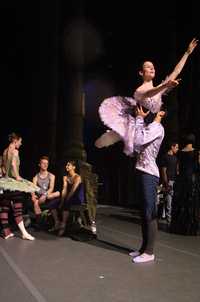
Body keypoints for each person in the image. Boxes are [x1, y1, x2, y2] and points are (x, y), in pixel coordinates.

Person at [95, 38, 198, 156]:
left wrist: (187, 53)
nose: (152, 68)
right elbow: (150, 93)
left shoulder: (160, 88)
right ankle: (114, 135)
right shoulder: (140, 90)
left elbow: (176, 71)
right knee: (120, 134)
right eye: (148, 67)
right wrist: (165, 85)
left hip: (151, 128)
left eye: (153, 67)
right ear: (141, 73)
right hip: (138, 127)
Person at [129, 106, 165, 263]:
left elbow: (139, 140)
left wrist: (139, 119)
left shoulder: (157, 128)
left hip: (149, 174)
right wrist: (140, 121)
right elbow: (136, 146)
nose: (147, 109)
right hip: (142, 172)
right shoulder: (149, 127)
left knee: (150, 212)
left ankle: (149, 252)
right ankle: (143, 248)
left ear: (161, 113)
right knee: (144, 212)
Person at [0, 132, 38, 240]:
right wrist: (17, 177)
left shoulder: (5, 151)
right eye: (20, 142)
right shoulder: (15, 151)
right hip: (12, 182)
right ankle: (24, 233)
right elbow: (12, 164)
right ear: (15, 141)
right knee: (18, 207)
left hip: (5, 182)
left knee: (5, 207)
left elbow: (3, 168)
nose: (20, 144)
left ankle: (6, 232)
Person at [170, 134, 200, 235]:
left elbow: (177, 167)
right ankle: (190, 228)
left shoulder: (180, 153)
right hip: (191, 180)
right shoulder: (196, 152)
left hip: (181, 181)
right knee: (190, 203)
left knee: (180, 202)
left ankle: (178, 227)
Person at [31, 156, 60, 231]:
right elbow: (33, 188)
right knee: (36, 202)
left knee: (54, 194)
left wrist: (45, 195)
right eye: (43, 163)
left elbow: (51, 188)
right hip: (39, 197)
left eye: (47, 163)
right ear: (39, 165)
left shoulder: (51, 176)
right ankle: (39, 224)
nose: (45, 165)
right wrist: (33, 195)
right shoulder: (35, 177)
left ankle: (55, 223)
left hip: (47, 195)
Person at [58, 160, 84, 236]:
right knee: (58, 202)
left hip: (77, 197)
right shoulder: (65, 177)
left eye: (68, 165)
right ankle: (58, 223)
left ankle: (63, 225)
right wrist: (62, 201)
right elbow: (64, 189)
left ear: (74, 167)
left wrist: (66, 200)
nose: (66, 166)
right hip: (69, 196)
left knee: (66, 203)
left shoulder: (77, 177)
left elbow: (73, 190)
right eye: (66, 165)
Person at [160, 141, 179, 225]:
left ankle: (171, 220)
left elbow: (177, 170)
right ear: (172, 147)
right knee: (168, 202)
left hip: (175, 181)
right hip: (169, 181)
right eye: (176, 147)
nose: (177, 149)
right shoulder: (165, 157)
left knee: (171, 202)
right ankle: (169, 221)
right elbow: (163, 170)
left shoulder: (176, 158)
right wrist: (166, 182)